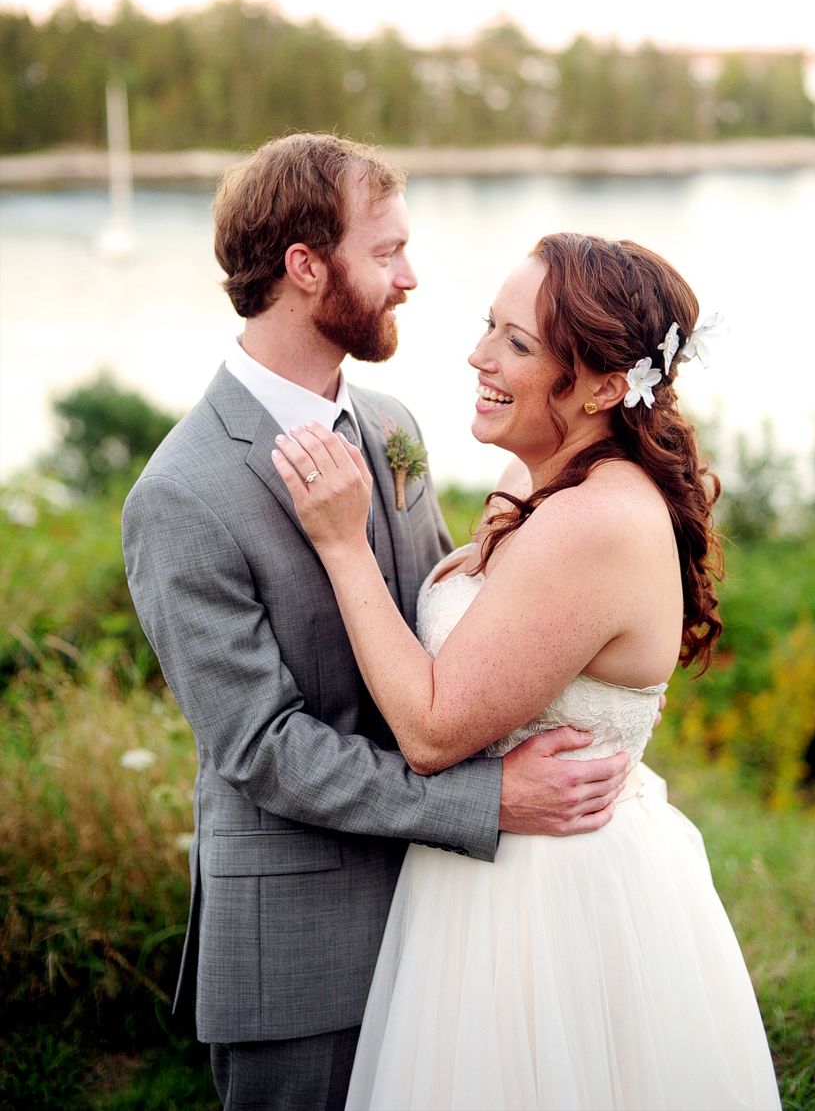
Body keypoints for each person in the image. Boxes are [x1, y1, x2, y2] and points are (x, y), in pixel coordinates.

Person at [121, 136, 636, 1111]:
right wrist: (488, 801)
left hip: (445, 927)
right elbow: (262, 748)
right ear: (306, 269)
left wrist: (515, 542)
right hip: (301, 960)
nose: (411, 277)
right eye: (387, 251)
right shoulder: (180, 495)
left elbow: (434, 634)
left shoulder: (393, 424)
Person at [272, 233, 783, 1110]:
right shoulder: (535, 478)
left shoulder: (594, 521)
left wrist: (340, 541)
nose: (479, 355)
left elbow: (433, 730)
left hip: (551, 905)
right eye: (488, 326)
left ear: (605, 385)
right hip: (483, 873)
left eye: (518, 342)